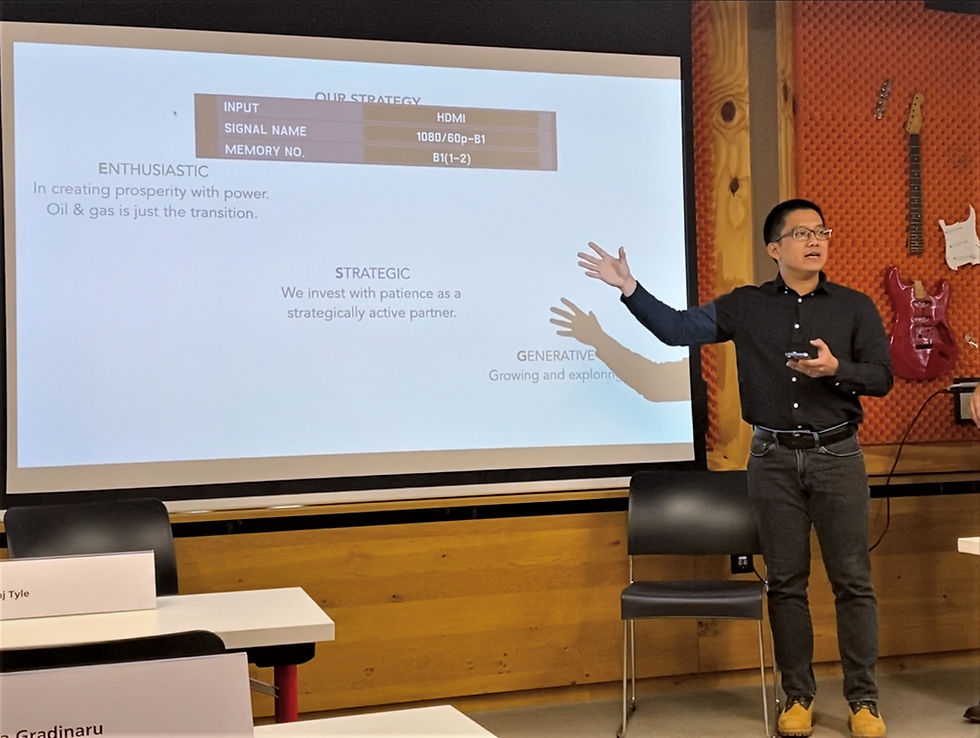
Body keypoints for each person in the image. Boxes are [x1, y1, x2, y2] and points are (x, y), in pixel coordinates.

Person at [576, 199, 893, 738]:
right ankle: (797, 697)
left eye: (821, 231)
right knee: (786, 584)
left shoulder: (854, 306)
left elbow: (882, 377)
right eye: (801, 233)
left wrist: (837, 369)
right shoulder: (747, 306)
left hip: (838, 455)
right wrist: (630, 288)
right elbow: (676, 329)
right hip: (772, 460)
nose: (815, 240)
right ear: (774, 249)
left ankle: (863, 701)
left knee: (853, 582)